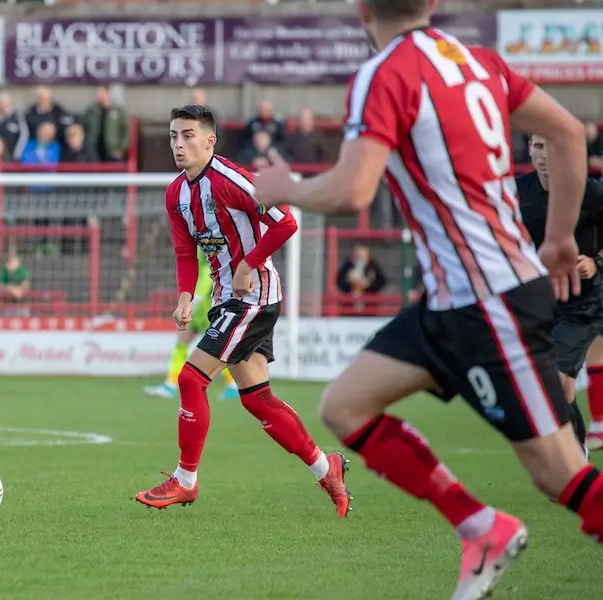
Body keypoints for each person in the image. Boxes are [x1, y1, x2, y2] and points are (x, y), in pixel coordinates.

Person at [253, 1, 603, 596]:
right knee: (344, 406)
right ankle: (481, 527)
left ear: (361, 8)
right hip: (450, 299)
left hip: (490, 302)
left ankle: (488, 526)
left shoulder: (384, 72)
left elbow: (352, 189)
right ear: (433, 3)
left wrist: (289, 188)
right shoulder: (479, 62)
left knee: (559, 475)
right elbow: (568, 131)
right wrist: (561, 238)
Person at [132, 104, 351, 520]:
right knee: (257, 400)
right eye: (174, 136)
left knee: (191, 378)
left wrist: (250, 262)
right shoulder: (175, 193)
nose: (179, 144)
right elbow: (184, 250)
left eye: (189, 136)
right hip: (224, 299)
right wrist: (184, 295)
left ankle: (185, 480)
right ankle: (327, 468)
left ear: (210, 140)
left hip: (254, 298)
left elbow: (286, 221)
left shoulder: (232, 181)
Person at [517, 134, 603, 449]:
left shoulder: (591, 192)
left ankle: (573, 456)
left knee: (555, 379)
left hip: (585, 304)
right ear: (529, 150)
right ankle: (577, 451)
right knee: (558, 387)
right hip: (538, 304)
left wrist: (596, 262)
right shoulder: (515, 192)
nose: (544, 155)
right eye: (538, 146)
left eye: (551, 145)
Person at [143, 253, 238, 400]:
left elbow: (202, 284)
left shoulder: (207, 259)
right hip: (202, 311)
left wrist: (190, 304)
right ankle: (170, 384)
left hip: (206, 312)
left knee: (218, 349)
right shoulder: (205, 255)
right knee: (185, 345)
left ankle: (232, 384)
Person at [81, 86, 130, 162]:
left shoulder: (118, 112)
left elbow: (126, 132)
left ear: (108, 93)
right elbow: (82, 128)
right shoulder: (90, 112)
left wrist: (120, 149)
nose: (99, 96)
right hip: (93, 151)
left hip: (112, 152)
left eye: (101, 94)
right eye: (97, 94)